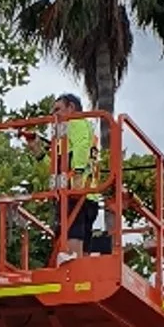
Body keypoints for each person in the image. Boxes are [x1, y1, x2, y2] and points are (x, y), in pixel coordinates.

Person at [25, 92, 100, 261]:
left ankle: (73, 261)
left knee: (74, 232)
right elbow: (55, 168)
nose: (54, 114)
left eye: (58, 109)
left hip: (76, 191)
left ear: (71, 108)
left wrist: (78, 174)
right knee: (81, 236)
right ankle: (79, 266)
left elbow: (81, 148)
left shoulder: (76, 122)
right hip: (86, 194)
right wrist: (37, 150)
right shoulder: (65, 137)